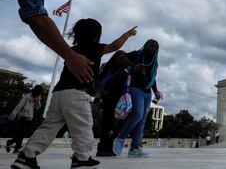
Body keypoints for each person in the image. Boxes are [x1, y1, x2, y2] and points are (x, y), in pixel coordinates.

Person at [11, 19, 137, 169]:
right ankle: (81, 159)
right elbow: (115, 46)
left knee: (49, 126)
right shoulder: (95, 48)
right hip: (77, 95)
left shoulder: (72, 50)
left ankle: (26, 157)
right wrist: (128, 34)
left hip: (58, 94)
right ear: (97, 36)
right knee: (83, 127)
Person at [112, 39, 163, 158]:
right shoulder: (137, 54)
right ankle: (120, 138)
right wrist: (134, 66)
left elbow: (152, 77)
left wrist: (155, 91)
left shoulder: (154, 62)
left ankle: (134, 149)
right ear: (145, 46)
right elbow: (119, 55)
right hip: (136, 89)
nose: (153, 49)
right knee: (137, 114)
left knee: (142, 121)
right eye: (151, 46)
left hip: (147, 92)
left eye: (155, 48)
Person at [6, 85, 44, 153]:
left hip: (30, 117)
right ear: (35, 91)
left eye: (39, 94)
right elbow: (19, 106)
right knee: (21, 133)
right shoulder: (26, 97)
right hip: (23, 117)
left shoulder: (36, 98)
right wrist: (12, 115)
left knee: (23, 134)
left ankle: (11, 142)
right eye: (38, 93)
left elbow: (38, 107)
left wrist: (38, 99)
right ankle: (16, 148)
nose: (38, 95)